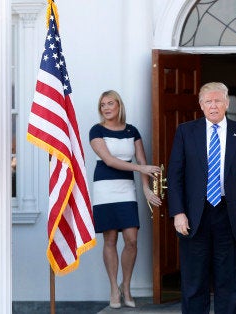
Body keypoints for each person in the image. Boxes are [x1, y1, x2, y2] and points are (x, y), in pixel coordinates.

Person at [167, 82, 236, 314]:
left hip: (230, 216)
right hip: (194, 217)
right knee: (193, 283)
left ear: (227, 103)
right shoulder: (185, 131)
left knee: (228, 283)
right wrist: (178, 212)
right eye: (208, 101)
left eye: (218, 100)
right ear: (201, 105)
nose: (213, 105)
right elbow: (175, 174)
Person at [89, 90, 162, 309]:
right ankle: (113, 288)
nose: (106, 108)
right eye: (103, 105)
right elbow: (110, 161)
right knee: (110, 238)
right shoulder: (97, 130)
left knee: (131, 239)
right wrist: (141, 168)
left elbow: (142, 159)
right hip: (104, 188)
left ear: (119, 106)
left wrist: (146, 189)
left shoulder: (132, 130)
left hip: (126, 189)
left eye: (110, 103)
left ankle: (126, 287)